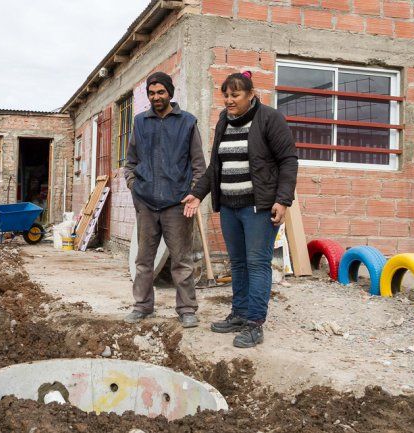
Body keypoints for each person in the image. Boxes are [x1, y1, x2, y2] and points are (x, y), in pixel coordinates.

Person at [182, 71, 298, 348]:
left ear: (251, 95)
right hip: (230, 207)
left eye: (235, 95)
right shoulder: (225, 121)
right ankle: (240, 313)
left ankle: (255, 323)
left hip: (258, 208)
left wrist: (283, 200)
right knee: (239, 264)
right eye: (226, 95)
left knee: (257, 264)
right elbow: (216, 166)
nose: (229, 100)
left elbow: (288, 161)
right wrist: (197, 194)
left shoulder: (270, 119)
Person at [123, 72, 206, 329]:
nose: (156, 97)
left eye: (160, 92)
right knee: (144, 260)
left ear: (170, 93)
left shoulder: (187, 122)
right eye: (151, 93)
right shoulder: (140, 122)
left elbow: (199, 165)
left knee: (182, 261)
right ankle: (142, 306)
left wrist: (193, 195)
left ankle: (187, 310)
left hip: (176, 205)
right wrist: (134, 186)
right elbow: (131, 162)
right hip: (146, 203)